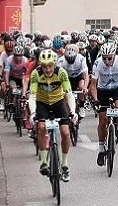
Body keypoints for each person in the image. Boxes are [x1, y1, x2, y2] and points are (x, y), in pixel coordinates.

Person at [32, 49, 75, 181]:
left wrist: (73, 111)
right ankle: (43, 162)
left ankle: (64, 164)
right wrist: (32, 112)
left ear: (54, 64)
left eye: (50, 66)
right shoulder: (36, 74)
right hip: (42, 103)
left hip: (58, 102)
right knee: (41, 127)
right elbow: (32, 96)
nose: (47, 69)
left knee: (65, 132)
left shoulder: (61, 73)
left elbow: (69, 94)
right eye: (44, 66)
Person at [90, 42, 118, 165]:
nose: (107, 61)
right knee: (103, 121)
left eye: (109, 58)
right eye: (104, 58)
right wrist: (95, 100)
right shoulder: (97, 63)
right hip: (102, 90)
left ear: (114, 56)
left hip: (117, 88)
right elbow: (93, 85)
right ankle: (101, 150)